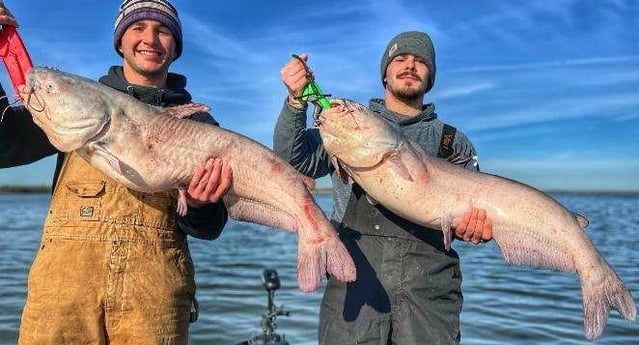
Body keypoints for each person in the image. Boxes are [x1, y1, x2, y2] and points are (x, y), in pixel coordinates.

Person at [0, 1, 232, 344]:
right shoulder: (72, 101)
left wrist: (199, 205)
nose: (150, 39)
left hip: (154, 304)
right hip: (62, 300)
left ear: (176, 47)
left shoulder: (199, 125)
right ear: (120, 42)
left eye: (163, 30)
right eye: (137, 28)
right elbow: (4, 144)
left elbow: (211, 227)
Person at [274, 31, 493, 345]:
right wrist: (296, 103)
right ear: (385, 73)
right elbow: (291, 160)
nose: (410, 66)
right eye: (400, 59)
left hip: (429, 297)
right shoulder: (346, 123)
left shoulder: (452, 142)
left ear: (430, 75)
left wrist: (474, 230)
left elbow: (473, 219)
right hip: (355, 286)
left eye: (420, 62)